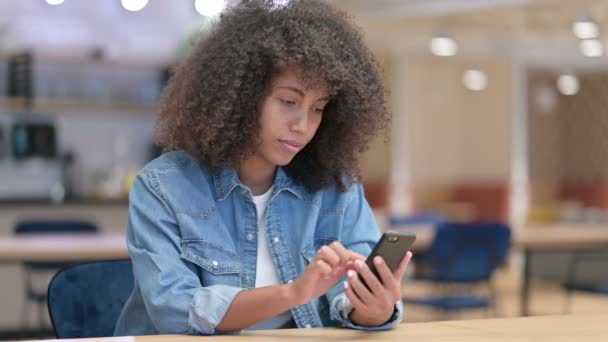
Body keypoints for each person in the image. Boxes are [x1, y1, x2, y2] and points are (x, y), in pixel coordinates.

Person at [114, 0, 413, 336]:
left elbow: (354, 300)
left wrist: (374, 310)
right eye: (289, 101)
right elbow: (174, 310)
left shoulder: (336, 186)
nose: (303, 125)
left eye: (318, 108)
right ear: (239, 95)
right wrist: (293, 293)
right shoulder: (163, 186)